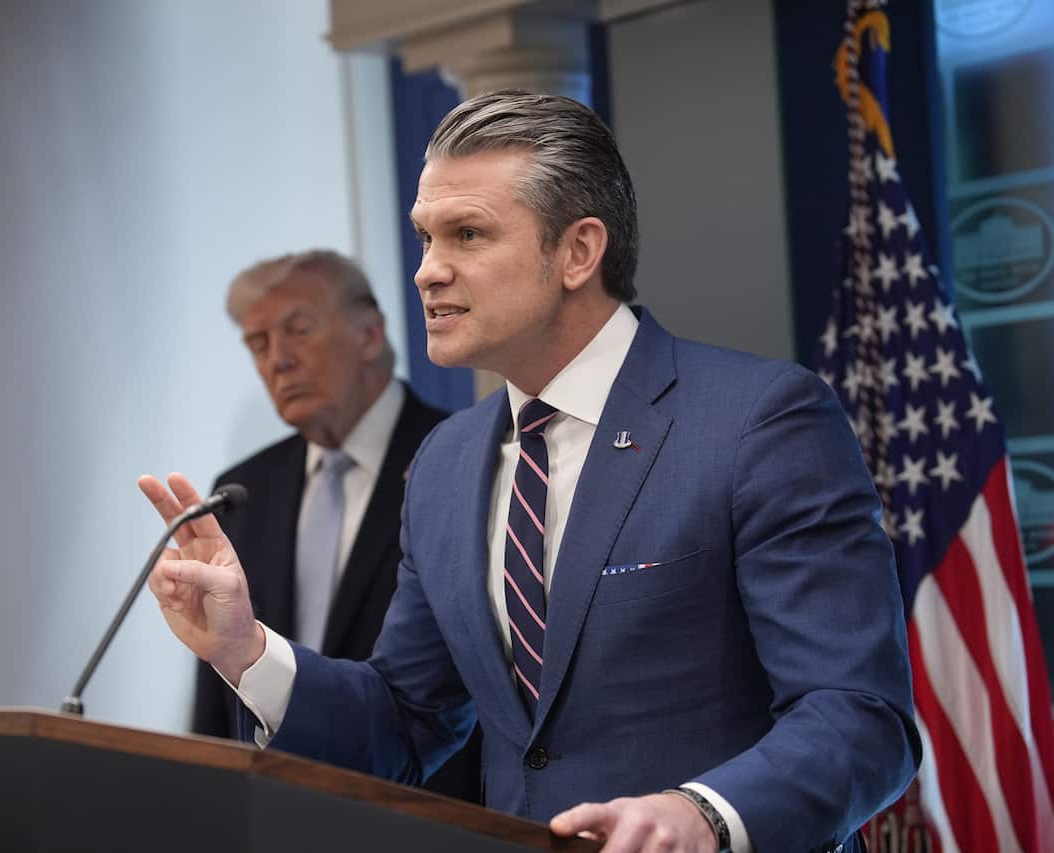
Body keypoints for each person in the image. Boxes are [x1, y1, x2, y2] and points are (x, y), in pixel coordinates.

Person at [141, 91, 920, 853]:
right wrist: (246, 649)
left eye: (467, 234)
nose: (427, 271)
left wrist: (706, 815)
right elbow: (407, 721)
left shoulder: (759, 420)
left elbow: (861, 716)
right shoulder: (444, 462)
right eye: (424, 238)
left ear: (578, 252)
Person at [144, 249, 477, 801]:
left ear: (369, 334)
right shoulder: (242, 490)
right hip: (279, 813)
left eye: (298, 330)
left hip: (432, 809)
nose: (278, 360)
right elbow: (218, 689)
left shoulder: (464, 459)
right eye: (258, 344)